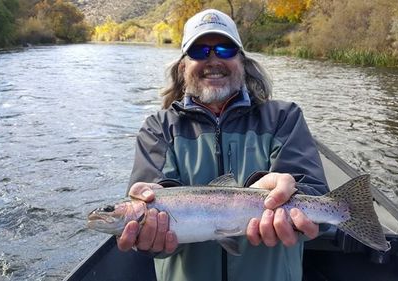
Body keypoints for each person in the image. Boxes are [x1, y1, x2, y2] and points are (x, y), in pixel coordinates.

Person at [117, 8, 329, 281]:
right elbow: (155, 204)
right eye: (200, 52)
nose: (213, 60)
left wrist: (288, 191)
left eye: (225, 50)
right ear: (183, 66)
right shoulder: (158, 128)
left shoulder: (284, 117)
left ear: (242, 61)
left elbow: (315, 192)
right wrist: (150, 237)